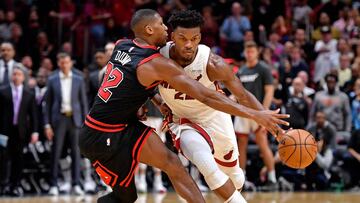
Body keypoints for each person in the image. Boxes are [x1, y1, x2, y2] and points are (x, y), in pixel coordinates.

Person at [79, 9, 288, 203]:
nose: (166, 28)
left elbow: (127, 79)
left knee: (200, 170)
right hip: (117, 132)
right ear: (151, 30)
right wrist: (255, 115)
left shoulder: (122, 44)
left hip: (203, 118)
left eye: (194, 39)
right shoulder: (159, 61)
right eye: (162, 25)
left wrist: (153, 100)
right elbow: (205, 96)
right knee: (133, 194)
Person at [156, 10, 287, 202]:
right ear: (172, 36)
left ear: (200, 37)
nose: (189, 44)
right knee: (205, 164)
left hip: (215, 116)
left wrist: (266, 117)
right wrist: (157, 101)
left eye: (195, 38)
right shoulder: (158, 57)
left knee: (235, 178)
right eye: (183, 38)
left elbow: (242, 94)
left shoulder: (212, 63)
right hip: (182, 121)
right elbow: (142, 82)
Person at [234, 41, 278, 191]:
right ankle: (242, 180)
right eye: (247, 51)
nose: (250, 54)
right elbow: (237, 93)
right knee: (241, 146)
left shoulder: (264, 69)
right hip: (243, 112)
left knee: (262, 144)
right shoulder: (241, 70)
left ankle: (272, 179)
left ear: (257, 52)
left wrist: (264, 112)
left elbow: (270, 91)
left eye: (252, 51)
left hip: (259, 112)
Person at [44, 53, 88, 196]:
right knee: (55, 153)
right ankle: (53, 184)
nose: (64, 65)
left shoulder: (78, 79)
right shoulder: (52, 79)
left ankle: (76, 184)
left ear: (71, 63)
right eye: (62, 62)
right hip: (59, 119)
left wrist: (85, 123)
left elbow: (83, 103)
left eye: (67, 62)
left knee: (76, 153)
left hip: (75, 120)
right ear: (58, 63)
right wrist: (47, 125)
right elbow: (47, 104)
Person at [0, 65, 38, 196]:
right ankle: (4, 185)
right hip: (4, 131)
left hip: (21, 131)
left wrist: (35, 132)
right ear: (11, 76)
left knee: (18, 159)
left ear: (23, 77)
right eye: (14, 74)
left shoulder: (29, 93)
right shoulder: (3, 91)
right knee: (3, 158)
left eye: (19, 75)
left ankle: (15, 185)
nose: (16, 77)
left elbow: (33, 115)